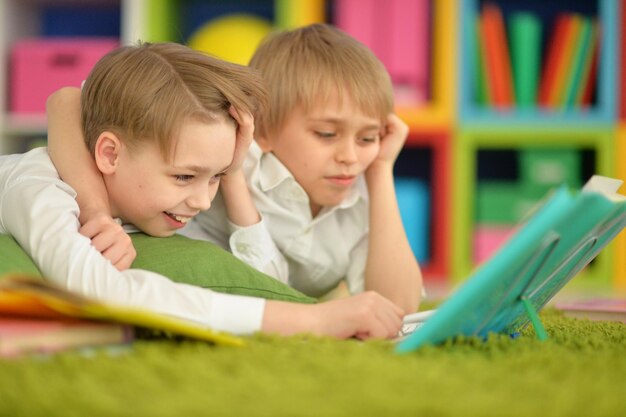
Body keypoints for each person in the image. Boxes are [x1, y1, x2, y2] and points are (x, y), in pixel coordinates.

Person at [1, 42, 404, 339]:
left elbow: (268, 281)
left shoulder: (156, 176)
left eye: (216, 177)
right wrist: (313, 321)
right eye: (183, 177)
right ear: (109, 154)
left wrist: (232, 173)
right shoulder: (41, 191)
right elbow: (100, 291)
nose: (204, 201)